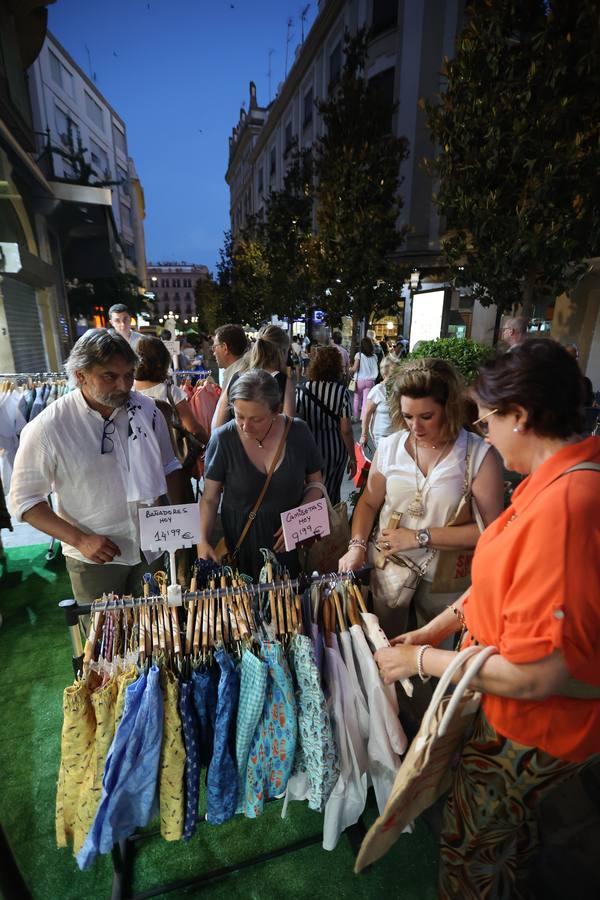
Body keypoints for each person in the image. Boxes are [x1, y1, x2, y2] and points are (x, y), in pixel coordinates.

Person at [374, 339, 600, 897]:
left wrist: (421, 659)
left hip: (530, 726)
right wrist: (440, 627)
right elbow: (501, 581)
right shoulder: (553, 483)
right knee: (507, 845)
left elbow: (536, 675)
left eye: (489, 419)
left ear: (519, 415)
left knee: (473, 852)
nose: (486, 433)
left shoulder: (567, 504)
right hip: (518, 715)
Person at [9, 329, 184, 601]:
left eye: (129, 375)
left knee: (155, 626)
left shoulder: (148, 410)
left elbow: (170, 467)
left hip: (153, 548)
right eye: (109, 376)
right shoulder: (48, 427)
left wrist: (183, 528)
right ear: (81, 376)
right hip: (94, 559)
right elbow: (24, 501)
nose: (123, 386)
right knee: (102, 630)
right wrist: (80, 540)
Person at [338, 357, 504, 640]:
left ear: (449, 408)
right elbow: (368, 502)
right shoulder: (390, 447)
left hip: (446, 578)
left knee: (433, 650)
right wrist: (357, 545)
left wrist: (418, 537)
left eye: (426, 416)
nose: (415, 426)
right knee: (385, 645)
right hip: (389, 570)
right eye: (407, 416)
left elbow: (491, 531)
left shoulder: (477, 454)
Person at [197, 369, 323, 581]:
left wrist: (300, 518)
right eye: (239, 416)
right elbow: (210, 498)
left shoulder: (298, 432)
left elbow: (316, 483)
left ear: (276, 410)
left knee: (290, 599)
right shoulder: (223, 439)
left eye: (256, 419)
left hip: (291, 546)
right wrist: (202, 541)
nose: (246, 426)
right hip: (240, 548)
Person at [295, 346, 356, 505]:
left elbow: (297, 422)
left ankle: (314, 518)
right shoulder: (341, 392)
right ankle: (331, 519)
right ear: (337, 367)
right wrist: (353, 457)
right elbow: (346, 429)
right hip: (336, 450)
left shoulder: (302, 390)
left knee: (312, 491)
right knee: (332, 493)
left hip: (309, 449)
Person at [213, 323, 296, 428]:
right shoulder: (283, 381)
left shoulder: (236, 377)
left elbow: (217, 425)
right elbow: (288, 427)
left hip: (235, 438)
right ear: (282, 352)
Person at [133, 336, 209, 445]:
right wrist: (211, 444)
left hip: (136, 451)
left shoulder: (127, 390)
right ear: (163, 361)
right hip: (167, 451)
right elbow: (194, 428)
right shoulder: (170, 392)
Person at [359, 355, 396, 449]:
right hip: (382, 436)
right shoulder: (377, 390)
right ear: (385, 372)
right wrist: (364, 435)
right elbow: (367, 414)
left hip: (398, 435)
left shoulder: (401, 389)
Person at [349, 336, 380, 420]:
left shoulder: (359, 355)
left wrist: (350, 369)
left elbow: (355, 368)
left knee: (356, 398)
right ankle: (363, 418)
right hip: (370, 381)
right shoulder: (374, 356)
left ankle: (355, 417)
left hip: (359, 381)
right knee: (366, 401)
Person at [212, 323, 248, 390]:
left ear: (225, 348)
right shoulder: (243, 373)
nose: (214, 353)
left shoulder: (238, 380)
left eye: (214, 347)